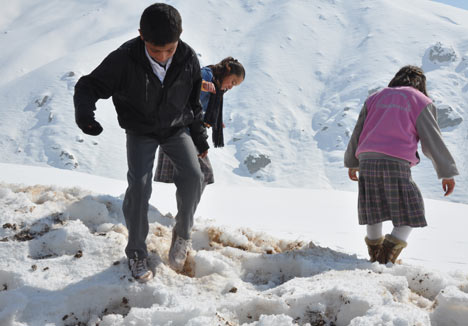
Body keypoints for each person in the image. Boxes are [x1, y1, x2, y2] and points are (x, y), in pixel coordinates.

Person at [74, 3, 209, 282]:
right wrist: (86, 115)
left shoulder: (187, 58)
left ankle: (182, 235)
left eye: (168, 49)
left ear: (179, 38)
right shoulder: (124, 59)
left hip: (175, 127)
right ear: (140, 35)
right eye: (155, 50)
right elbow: (88, 86)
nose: (162, 56)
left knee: (195, 176)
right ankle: (136, 252)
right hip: (140, 130)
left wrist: (199, 138)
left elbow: (194, 103)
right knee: (139, 184)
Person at [344, 65, 459, 264]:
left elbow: (358, 130)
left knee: (373, 209)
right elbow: (432, 138)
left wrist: (352, 162)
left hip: (367, 159)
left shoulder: (375, 98)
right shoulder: (420, 100)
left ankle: (374, 256)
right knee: (411, 212)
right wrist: (446, 172)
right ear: (421, 84)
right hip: (395, 160)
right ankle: (385, 259)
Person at [154, 57, 245, 187]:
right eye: (233, 82)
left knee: (191, 175)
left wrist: (215, 121)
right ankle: (186, 207)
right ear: (227, 71)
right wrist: (201, 85)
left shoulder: (217, 86)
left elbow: (202, 108)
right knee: (203, 173)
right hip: (180, 128)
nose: (230, 87)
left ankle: (185, 207)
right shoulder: (206, 75)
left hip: (191, 130)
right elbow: (185, 87)